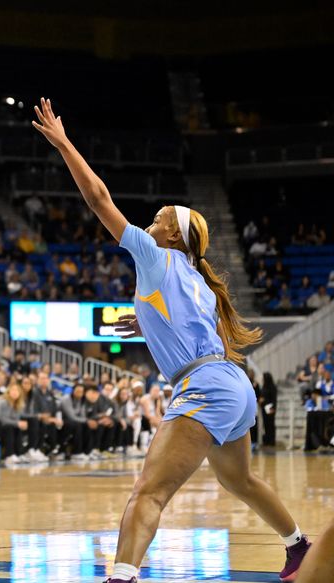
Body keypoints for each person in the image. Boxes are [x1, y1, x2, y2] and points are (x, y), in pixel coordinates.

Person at [32, 97, 311, 583]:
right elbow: (187, 323)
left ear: (174, 237)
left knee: (148, 492)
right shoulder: (198, 280)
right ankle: (299, 547)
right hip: (232, 384)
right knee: (237, 479)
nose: (150, 222)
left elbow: (99, 198)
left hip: (204, 386)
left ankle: (121, 577)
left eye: (159, 218)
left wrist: (63, 143)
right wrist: (147, 322)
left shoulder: (154, 255)